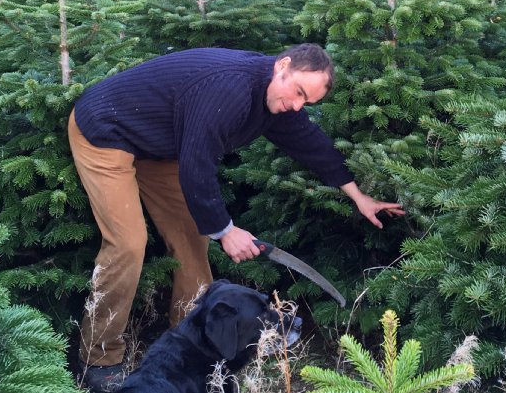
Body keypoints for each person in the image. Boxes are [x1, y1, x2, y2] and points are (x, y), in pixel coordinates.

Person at [69, 44, 404, 392]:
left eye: (308, 102)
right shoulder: (230, 90)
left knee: (190, 240)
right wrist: (226, 231)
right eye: (299, 92)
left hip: (161, 144)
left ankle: (192, 345)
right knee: (128, 243)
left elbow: (311, 143)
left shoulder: (277, 101)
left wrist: (359, 197)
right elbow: (197, 167)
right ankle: (98, 358)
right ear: (283, 66)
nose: (297, 106)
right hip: (107, 130)